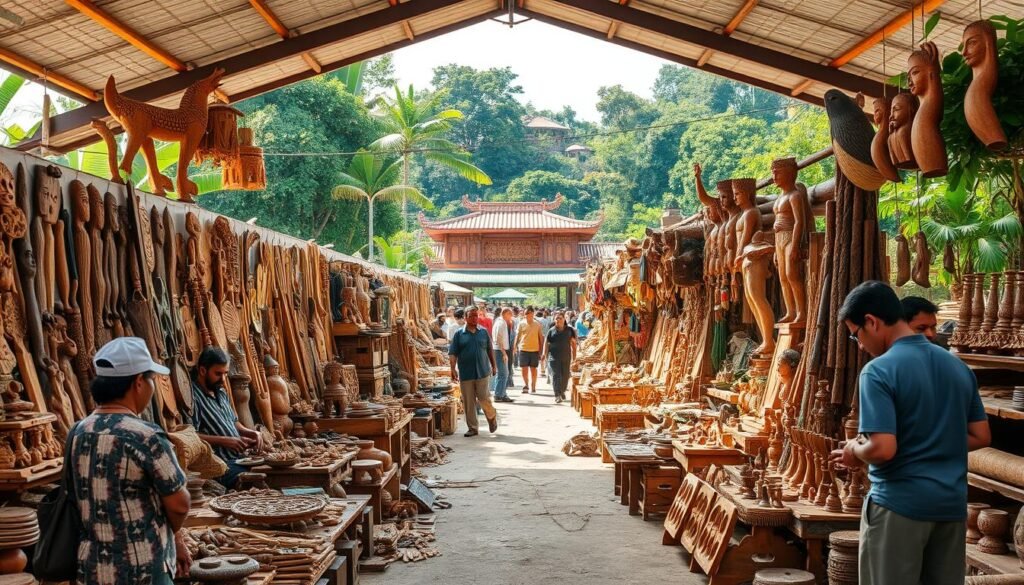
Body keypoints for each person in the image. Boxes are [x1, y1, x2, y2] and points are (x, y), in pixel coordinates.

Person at [829, 281, 990, 585]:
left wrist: (853, 450)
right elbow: (981, 436)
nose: (860, 345)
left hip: (899, 506)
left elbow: (882, 448)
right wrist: (932, 442)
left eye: (856, 335)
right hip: (951, 507)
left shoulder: (879, 371)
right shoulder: (959, 368)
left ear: (871, 322)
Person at [72, 337, 191, 585]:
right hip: (143, 569)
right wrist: (171, 533)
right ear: (138, 382)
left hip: (93, 569)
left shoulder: (79, 431)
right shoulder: (145, 435)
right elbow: (179, 504)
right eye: (150, 380)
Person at [189, 347, 264, 489]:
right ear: (203, 370)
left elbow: (233, 421)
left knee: (272, 470)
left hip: (240, 458)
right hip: (219, 464)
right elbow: (191, 436)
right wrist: (226, 441)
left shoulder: (221, 393)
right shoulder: (193, 397)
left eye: (225, 373)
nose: (223, 379)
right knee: (254, 483)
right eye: (218, 374)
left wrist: (252, 433)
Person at [449, 306, 498, 437]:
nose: (474, 318)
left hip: (482, 371)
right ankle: (472, 428)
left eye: (476, 315)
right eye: (471, 316)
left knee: (484, 398)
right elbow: (453, 353)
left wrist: (494, 366)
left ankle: (492, 417)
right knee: (468, 402)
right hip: (466, 373)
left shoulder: (484, 332)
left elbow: (489, 349)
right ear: (465, 318)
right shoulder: (459, 334)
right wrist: (452, 368)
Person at [542, 310, 577, 403]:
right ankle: (557, 394)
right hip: (553, 358)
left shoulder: (570, 330)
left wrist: (575, 357)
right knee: (556, 375)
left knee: (565, 376)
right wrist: (544, 354)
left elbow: (573, 344)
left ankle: (562, 391)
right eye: (556, 318)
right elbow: (546, 343)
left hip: (566, 357)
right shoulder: (551, 330)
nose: (558, 320)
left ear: (564, 319)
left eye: (560, 318)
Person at [516, 307, 544, 393]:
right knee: (524, 369)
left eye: (528, 313)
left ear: (532, 314)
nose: (527, 315)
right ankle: (526, 385)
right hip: (523, 349)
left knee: (533, 369)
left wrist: (541, 351)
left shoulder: (537, 324)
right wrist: (515, 346)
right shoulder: (521, 324)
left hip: (534, 350)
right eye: (526, 313)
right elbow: (518, 336)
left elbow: (541, 338)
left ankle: (533, 385)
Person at [491, 307, 515, 403]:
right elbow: (498, 338)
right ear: (505, 313)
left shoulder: (501, 322)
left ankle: (502, 393)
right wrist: (504, 352)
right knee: (503, 374)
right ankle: (498, 394)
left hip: (500, 349)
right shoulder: (501, 323)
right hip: (500, 350)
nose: (511, 316)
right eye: (510, 313)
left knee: (502, 374)